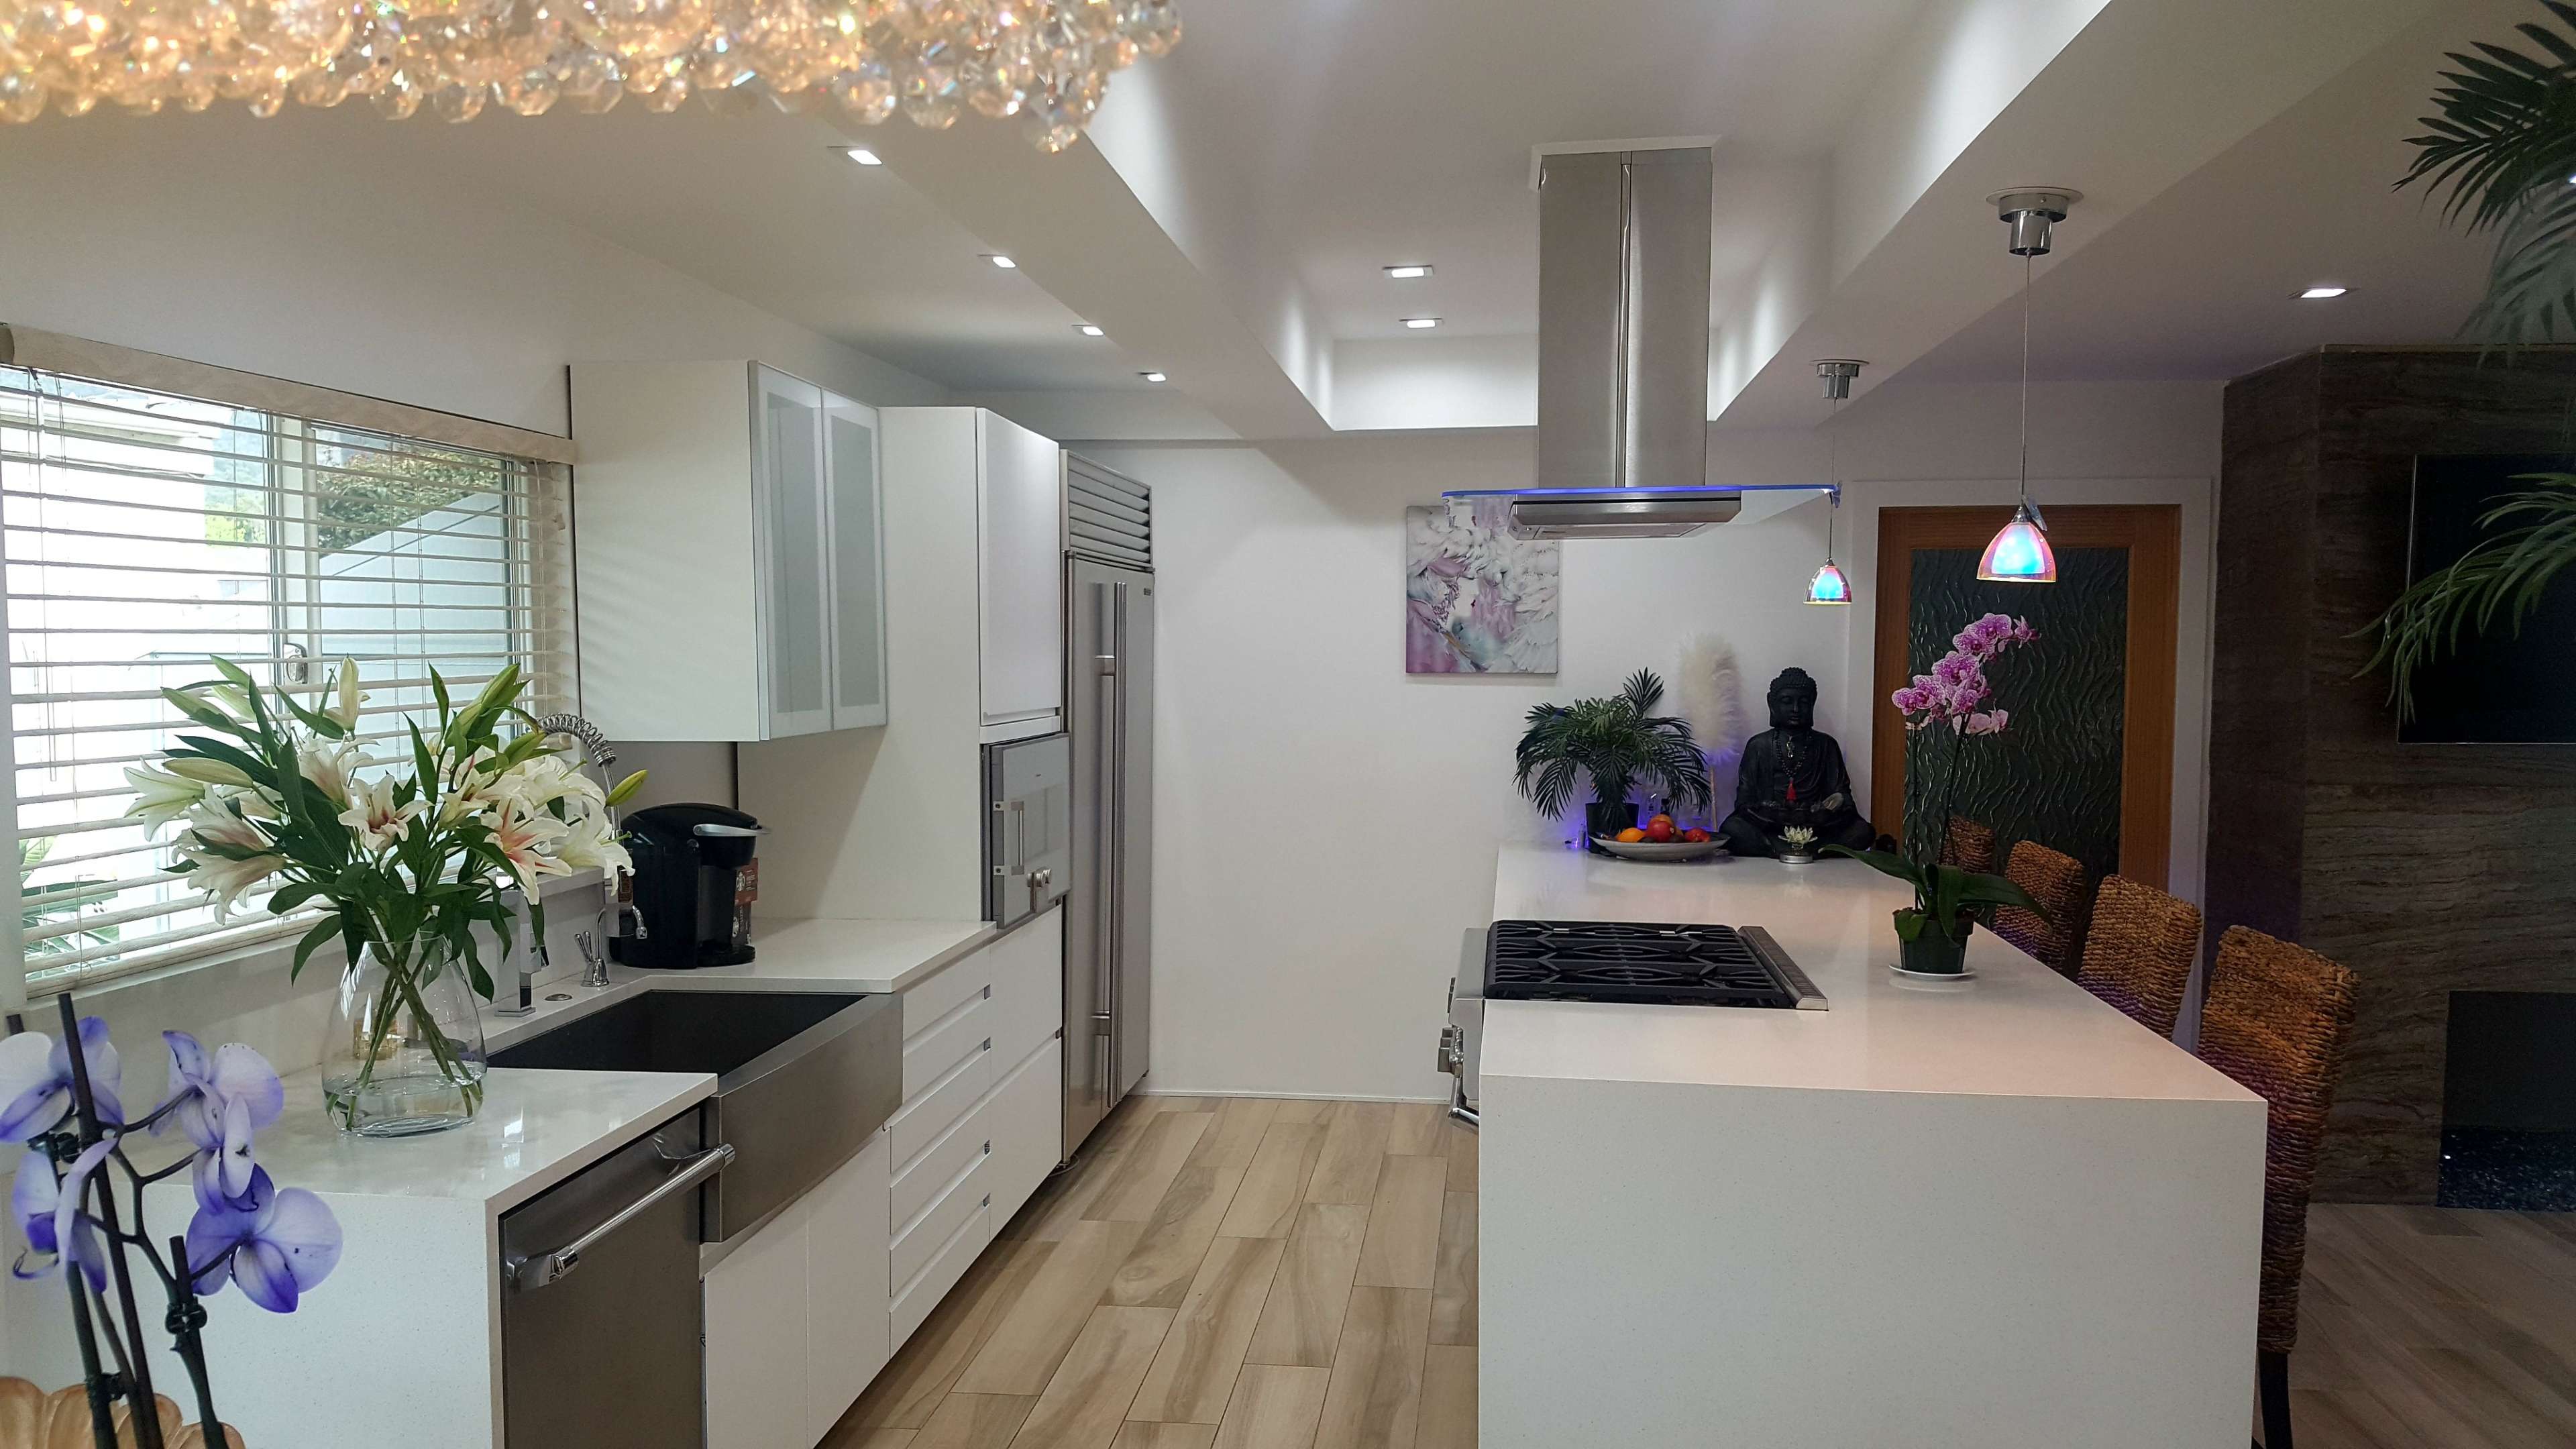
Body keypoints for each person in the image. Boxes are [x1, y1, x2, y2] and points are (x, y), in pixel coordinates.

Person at [1717, 667, 1876, 857]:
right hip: (1770, 826)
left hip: (1817, 827)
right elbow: (1744, 802)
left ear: (1812, 705)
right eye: (1787, 701)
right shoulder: (1759, 745)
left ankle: (1800, 849)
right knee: (1731, 829)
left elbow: (1843, 795)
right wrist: (1772, 813)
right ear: (1772, 704)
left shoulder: (1825, 745)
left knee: (1863, 831)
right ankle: (1797, 850)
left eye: (1804, 702)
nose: (1796, 709)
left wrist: (1830, 806)